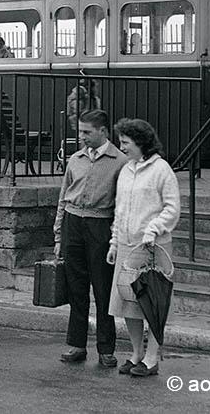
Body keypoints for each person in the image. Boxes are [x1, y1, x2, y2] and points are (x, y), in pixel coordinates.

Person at [108, 117, 180, 378]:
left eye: (125, 142)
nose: (122, 147)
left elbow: (173, 209)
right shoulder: (126, 170)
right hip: (128, 247)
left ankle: (152, 358)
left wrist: (153, 229)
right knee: (128, 303)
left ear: (141, 142)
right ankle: (136, 353)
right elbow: (119, 210)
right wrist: (114, 242)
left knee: (152, 304)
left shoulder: (162, 170)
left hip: (153, 248)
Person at [53, 109, 126, 367]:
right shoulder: (76, 158)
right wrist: (59, 235)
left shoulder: (120, 161)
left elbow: (121, 205)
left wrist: (116, 240)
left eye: (87, 132)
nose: (81, 136)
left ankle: (106, 349)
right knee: (76, 287)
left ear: (103, 131)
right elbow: (63, 197)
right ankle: (76, 344)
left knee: (103, 289)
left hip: (100, 225)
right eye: (80, 131)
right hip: (74, 223)